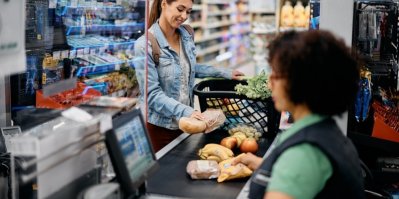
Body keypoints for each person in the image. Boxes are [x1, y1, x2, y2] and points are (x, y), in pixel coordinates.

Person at [232, 30, 365, 199]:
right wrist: (263, 165)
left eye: (276, 75)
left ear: (300, 83)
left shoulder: (304, 152)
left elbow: (301, 166)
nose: (269, 83)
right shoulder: (325, 133)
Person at [134, 0, 244, 152]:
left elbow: (188, 69)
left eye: (189, 11)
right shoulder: (145, 45)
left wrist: (225, 73)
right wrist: (188, 112)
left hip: (185, 123)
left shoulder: (186, 35)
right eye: (180, 9)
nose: (184, 16)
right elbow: (151, 95)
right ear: (164, 4)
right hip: (158, 127)